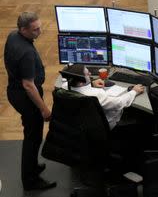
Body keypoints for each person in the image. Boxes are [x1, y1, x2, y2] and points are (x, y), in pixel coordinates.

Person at [4, 12, 57, 191]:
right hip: (26, 97)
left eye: (39, 27)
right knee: (32, 138)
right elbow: (28, 85)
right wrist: (44, 109)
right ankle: (30, 180)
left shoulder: (13, 36)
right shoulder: (26, 52)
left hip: (14, 91)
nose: (39, 32)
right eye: (35, 30)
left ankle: (32, 166)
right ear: (23, 29)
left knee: (31, 133)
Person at [59, 64, 145, 129]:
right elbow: (119, 103)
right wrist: (134, 91)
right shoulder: (96, 95)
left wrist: (91, 83)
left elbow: (80, 88)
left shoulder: (64, 87)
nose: (90, 73)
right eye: (87, 74)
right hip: (104, 125)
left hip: (78, 124)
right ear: (81, 82)